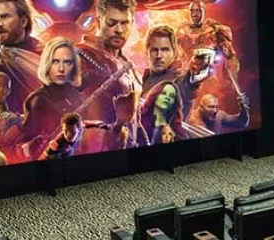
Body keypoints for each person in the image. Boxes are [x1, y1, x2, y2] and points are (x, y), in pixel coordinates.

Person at [76, 0, 141, 153]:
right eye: (112, 23)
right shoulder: (81, 55)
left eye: (125, 23)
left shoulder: (130, 68)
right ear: (99, 21)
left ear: (132, 23)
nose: (119, 30)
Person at [20, 37, 85, 160]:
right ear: (47, 64)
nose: (61, 69)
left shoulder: (77, 96)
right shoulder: (38, 100)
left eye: (67, 62)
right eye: (55, 62)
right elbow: (27, 147)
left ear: (74, 66)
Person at [177, 1, 238, 79]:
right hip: (186, 76)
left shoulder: (212, 30)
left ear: (204, 11)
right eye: (192, 11)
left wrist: (231, 70)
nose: (195, 14)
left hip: (207, 76)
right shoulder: (182, 31)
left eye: (198, 10)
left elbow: (230, 55)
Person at [39, 111, 110, 160]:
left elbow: (90, 123)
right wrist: (51, 151)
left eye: (72, 132)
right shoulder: (56, 143)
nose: (68, 135)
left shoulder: (82, 126)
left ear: (79, 130)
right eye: (65, 131)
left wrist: (103, 125)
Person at [140, 81, 184, 145]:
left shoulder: (177, 130)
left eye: (171, 96)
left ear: (174, 102)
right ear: (155, 95)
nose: (167, 97)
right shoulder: (140, 118)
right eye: (163, 93)